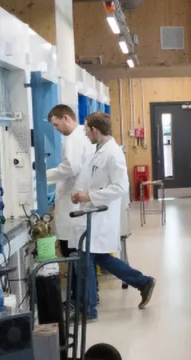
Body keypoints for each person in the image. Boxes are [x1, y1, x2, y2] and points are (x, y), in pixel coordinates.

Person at [47, 106, 154, 313]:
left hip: (100, 215)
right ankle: (143, 282)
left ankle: (87, 308)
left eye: (87, 129)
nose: (84, 133)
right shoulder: (101, 151)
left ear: (95, 129)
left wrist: (88, 196)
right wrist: (83, 193)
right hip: (93, 215)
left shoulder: (112, 154)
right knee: (99, 258)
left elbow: (121, 187)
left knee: (86, 258)